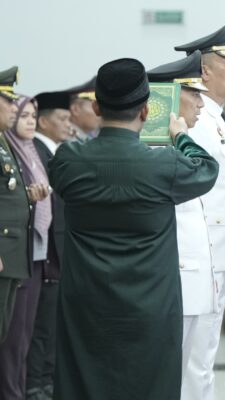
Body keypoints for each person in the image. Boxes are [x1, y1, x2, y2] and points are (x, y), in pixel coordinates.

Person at [48, 58, 219, 400]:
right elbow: (206, 169)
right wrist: (180, 137)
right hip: (150, 306)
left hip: (86, 304)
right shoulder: (164, 165)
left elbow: (63, 173)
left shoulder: (69, 159)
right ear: (145, 112)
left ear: (96, 107)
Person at [174, 23, 225, 400]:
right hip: (202, 258)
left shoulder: (216, 118)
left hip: (217, 258)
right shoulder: (199, 120)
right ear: (205, 71)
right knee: (195, 360)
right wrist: (217, 256)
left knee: (203, 356)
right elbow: (196, 197)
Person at [21, 90, 71, 400]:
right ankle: (36, 385)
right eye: (62, 119)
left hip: (57, 252)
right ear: (43, 121)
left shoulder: (51, 151)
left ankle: (45, 383)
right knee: (41, 326)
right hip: (48, 251)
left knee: (50, 325)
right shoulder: (38, 151)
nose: (68, 124)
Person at [0, 70, 47, 400]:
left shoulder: (7, 144)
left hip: (17, 255)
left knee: (13, 335)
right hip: (7, 253)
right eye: (8, 102)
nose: (13, 109)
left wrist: (27, 198)